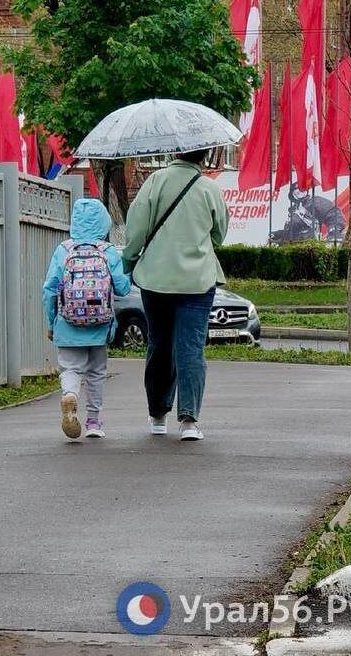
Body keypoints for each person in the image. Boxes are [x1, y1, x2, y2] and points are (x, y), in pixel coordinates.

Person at [121, 149, 229, 442]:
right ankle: (189, 421)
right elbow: (220, 235)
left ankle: (157, 415)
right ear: (204, 156)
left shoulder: (154, 182)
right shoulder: (209, 189)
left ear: (175, 152)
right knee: (191, 348)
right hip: (198, 282)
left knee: (159, 343)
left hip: (155, 280)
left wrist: (129, 264)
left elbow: (135, 233)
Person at [43, 198, 131, 440]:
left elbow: (49, 290)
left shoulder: (63, 250)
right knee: (96, 373)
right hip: (100, 325)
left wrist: (51, 323)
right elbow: (123, 289)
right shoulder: (107, 251)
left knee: (71, 369)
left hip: (67, 323)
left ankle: (70, 395)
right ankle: (93, 422)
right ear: (103, 223)